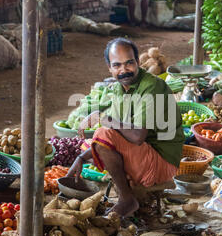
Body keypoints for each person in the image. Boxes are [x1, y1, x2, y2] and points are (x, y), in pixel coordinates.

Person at [67, 37, 185, 218]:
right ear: (109, 68)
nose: (124, 70)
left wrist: (103, 118)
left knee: (102, 133)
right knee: (96, 141)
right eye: (117, 65)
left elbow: (137, 136)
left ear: (137, 62)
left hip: (162, 161)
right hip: (142, 154)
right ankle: (128, 193)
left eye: (129, 63)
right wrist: (81, 158)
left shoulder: (151, 86)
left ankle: (127, 199)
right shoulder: (119, 89)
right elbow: (117, 132)